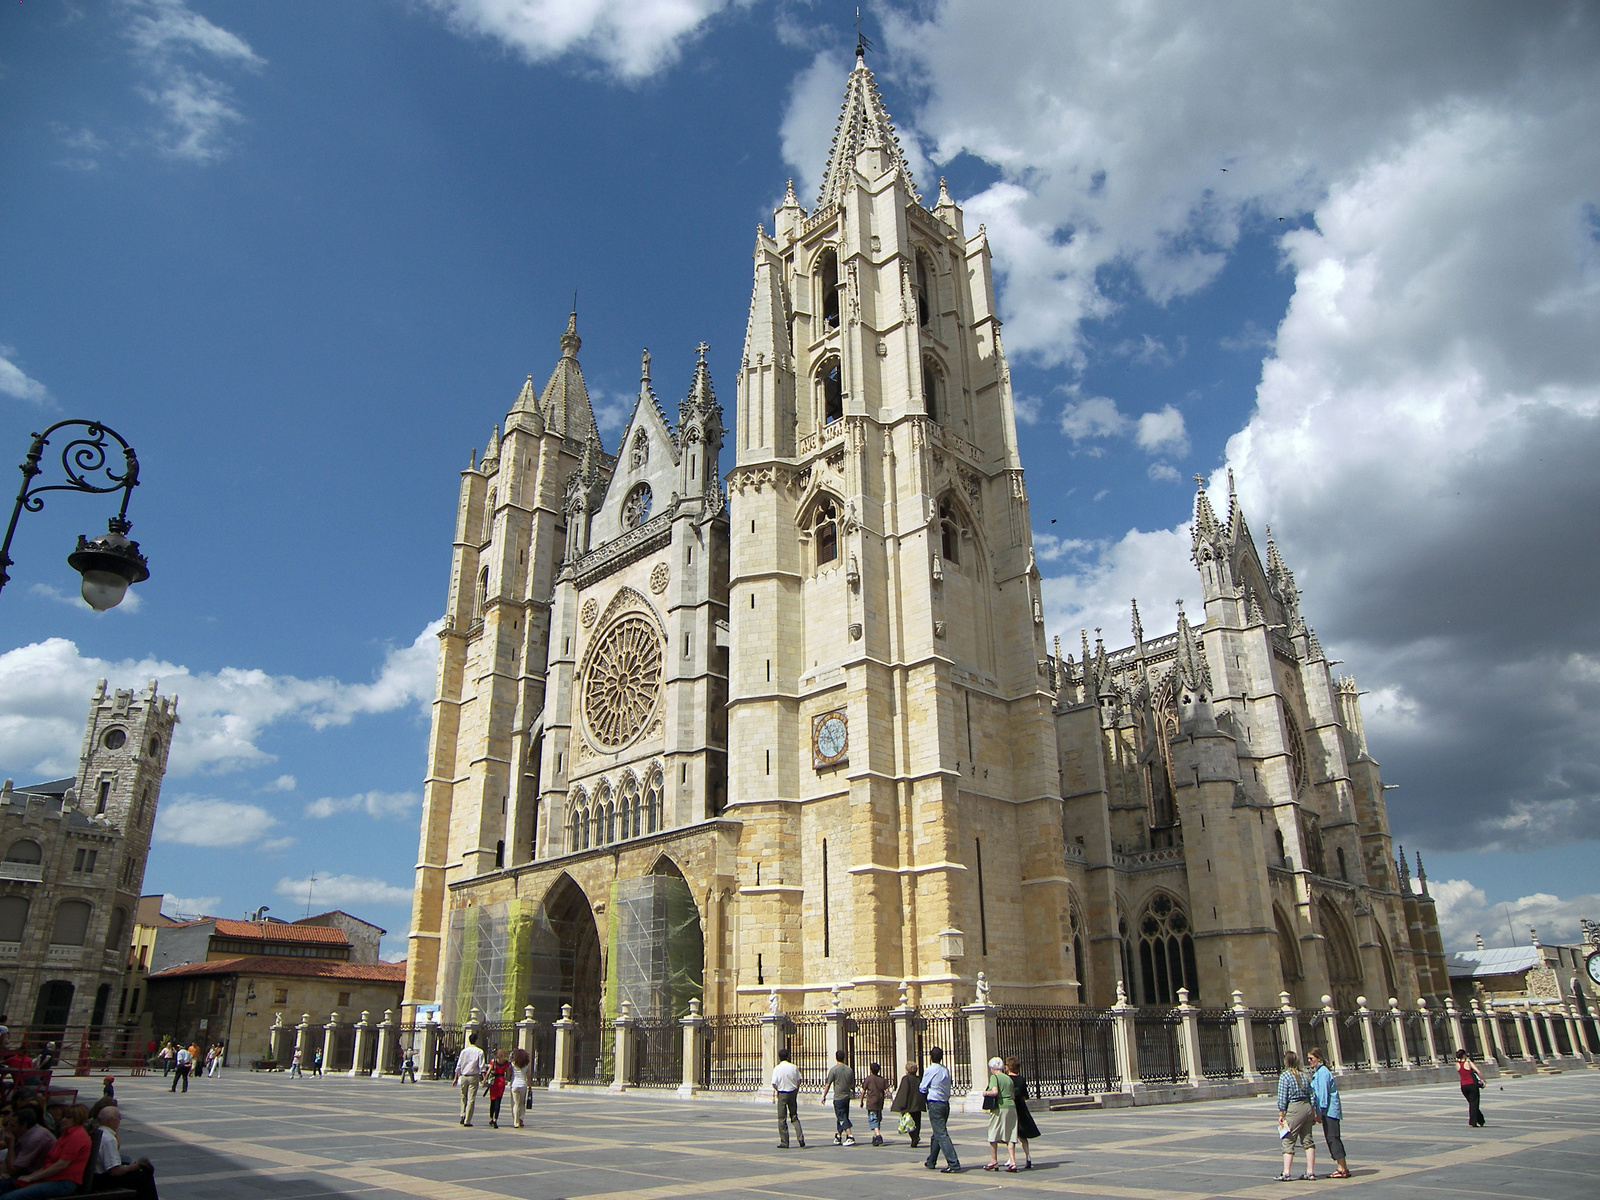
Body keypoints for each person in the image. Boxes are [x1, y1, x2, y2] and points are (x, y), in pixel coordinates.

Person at [5, 1102, 89, 1198]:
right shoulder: (65, 1135)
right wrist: (29, 1177)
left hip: (64, 1182)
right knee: (5, 1185)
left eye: (69, 1118)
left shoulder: (77, 1136)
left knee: (9, 1198)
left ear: (78, 1119)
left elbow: (60, 1165)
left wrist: (32, 1178)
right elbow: (49, 1164)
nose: (63, 1120)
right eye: (64, 1117)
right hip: (51, 1178)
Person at [86, 1106, 157, 1199]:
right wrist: (134, 1167)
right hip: (102, 1180)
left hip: (95, 1177)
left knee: (134, 1172)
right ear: (110, 1121)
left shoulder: (100, 1131)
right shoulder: (108, 1138)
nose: (120, 1119)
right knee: (144, 1178)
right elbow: (114, 1171)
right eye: (118, 1116)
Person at [1306, 1047, 1349, 1179]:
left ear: (1319, 1059)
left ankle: (1342, 1168)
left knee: (1333, 1137)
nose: (1309, 1061)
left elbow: (1323, 1094)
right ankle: (1342, 1166)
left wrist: (1319, 1112)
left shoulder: (1323, 1072)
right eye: (1308, 1059)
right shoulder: (1319, 1072)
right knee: (1332, 1137)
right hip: (1327, 1111)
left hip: (1329, 1111)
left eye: (1311, 1059)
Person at [1274, 1050, 1317, 1181]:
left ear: (1286, 1062)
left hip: (1294, 1108)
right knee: (1307, 1140)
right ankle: (1310, 1172)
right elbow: (1312, 1093)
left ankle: (1286, 1172)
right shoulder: (1305, 1075)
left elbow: (1282, 1097)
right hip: (1307, 1107)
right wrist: (1313, 1110)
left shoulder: (1285, 1076)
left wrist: (1281, 1113)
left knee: (1288, 1139)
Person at [918, 1045, 960, 1173]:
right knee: (937, 1133)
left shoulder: (930, 1070)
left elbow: (922, 1087)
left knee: (941, 1134)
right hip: (945, 1103)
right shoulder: (945, 1070)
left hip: (935, 1103)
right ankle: (931, 1161)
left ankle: (953, 1163)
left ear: (930, 1057)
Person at [1, 1105, 55, 1186]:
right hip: (23, 1172)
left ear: (23, 1126)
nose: (8, 1128)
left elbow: (13, 1170)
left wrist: (10, 1144)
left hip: (38, 1176)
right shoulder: (21, 1133)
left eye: (12, 1125)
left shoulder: (36, 1137)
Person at [982, 1056, 1018, 1172]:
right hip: (1011, 1107)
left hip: (1000, 1108)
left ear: (993, 1068)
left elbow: (995, 1092)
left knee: (993, 1134)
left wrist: (985, 1093)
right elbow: (1013, 1096)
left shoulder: (994, 1077)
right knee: (1010, 1135)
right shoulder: (1009, 1079)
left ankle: (994, 1161)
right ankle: (1013, 1162)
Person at [1005, 1056, 1039, 1169]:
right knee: (1023, 1136)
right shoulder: (1022, 1079)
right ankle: (1028, 1156)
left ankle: (1011, 1158)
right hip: (1021, 1107)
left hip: (1011, 1107)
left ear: (1008, 1067)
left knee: (1011, 1135)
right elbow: (1025, 1095)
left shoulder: (1007, 1079)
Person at [771, 1048, 804, 1149]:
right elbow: (799, 1080)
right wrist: (796, 1090)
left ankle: (785, 1142)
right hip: (792, 1092)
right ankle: (800, 1138)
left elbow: (773, 1083)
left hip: (782, 1093)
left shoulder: (777, 1068)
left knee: (782, 1118)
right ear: (788, 1056)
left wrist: (778, 1090)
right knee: (794, 1117)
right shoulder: (793, 1067)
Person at [823, 1050, 857, 1146]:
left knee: (841, 1117)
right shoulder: (849, 1070)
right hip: (847, 1096)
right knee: (842, 1116)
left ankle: (850, 1136)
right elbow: (852, 1085)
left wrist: (824, 1096)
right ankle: (838, 1136)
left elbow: (828, 1084)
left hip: (838, 1097)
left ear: (836, 1057)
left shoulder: (833, 1070)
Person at [889, 1062, 924, 1149]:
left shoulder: (906, 1079)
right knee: (917, 1122)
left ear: (907, 1070)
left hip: (909, 1105)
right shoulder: (919, 1079)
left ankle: (914, 1138)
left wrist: (901, 1105)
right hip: (917, 1104)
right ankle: (916, 1136)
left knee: (908, 1123)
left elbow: (903, 1092)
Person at [454, 1034, 485, 1127]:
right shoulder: (479, 1051)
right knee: (471, 1099)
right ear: (476, 1041)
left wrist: (455, 1078)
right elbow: (481, 1066)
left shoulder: (464, 1051)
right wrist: (484, 1079)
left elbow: (458, 1066)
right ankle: (467, 1120)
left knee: (463, 1096)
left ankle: (462, 1114)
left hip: (463, 1076)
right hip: (473, 1076)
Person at [859, 1062, 890, 1147]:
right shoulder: (882, 1080)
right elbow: (887, 1091)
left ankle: (878, 1135)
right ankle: (875, 1137)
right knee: (878, 1118)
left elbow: (863, 1091)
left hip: (871, 1102)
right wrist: (891, 1099)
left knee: (873, 1119)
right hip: (880, 1102)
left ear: (871, 1070)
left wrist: (861, 1101)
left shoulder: (868, 1079)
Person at [1456, 1048, 1486, 1127]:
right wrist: (1484, 1081)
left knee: (1472, 1104)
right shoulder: (1468, 1063)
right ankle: (1472, 1122)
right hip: (1472, 1085)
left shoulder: (1457, 1064)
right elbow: (1478, 1072)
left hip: (1463, 1086)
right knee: (1474, 1104)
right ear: (1464, 1055)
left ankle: (1481, 1120)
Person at [485, 1049, 511, 1129]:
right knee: (498, 1101)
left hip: (494, 1082)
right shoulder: (506, 1063)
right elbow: (508, 1075)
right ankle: (496, 1119)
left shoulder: (494, 1062)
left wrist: (484, 1080)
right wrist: (505, 1079)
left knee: (492, 1100)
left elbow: (488, 1072)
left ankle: (490, 1118)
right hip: (501, 1082)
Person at [508, 1048, 530, 1129]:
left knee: (515, 1104)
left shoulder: (513, 1064)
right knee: (521, 1104)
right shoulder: (526, 1064)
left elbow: (509, 1073)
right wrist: (530, 1086)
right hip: (523, 1085)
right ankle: (521, 1119)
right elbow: (528, 1076)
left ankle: (515, 1122)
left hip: (514, 1085)